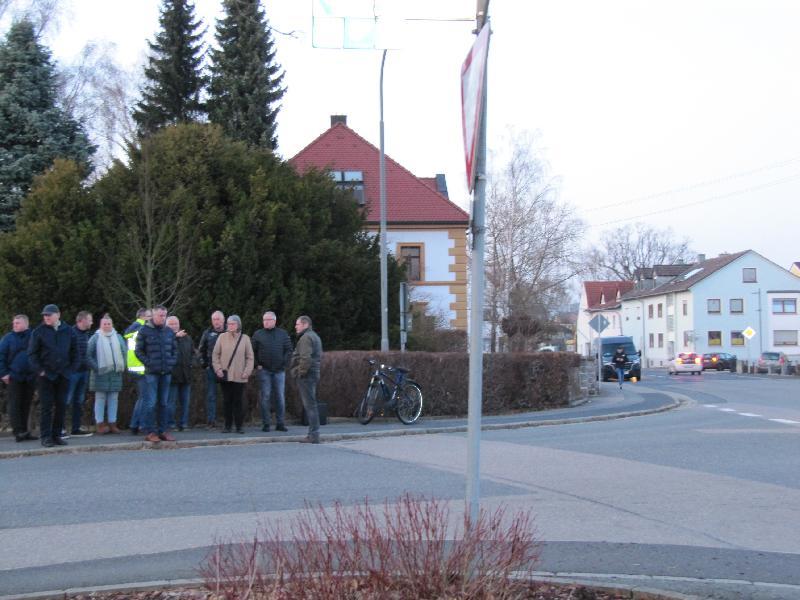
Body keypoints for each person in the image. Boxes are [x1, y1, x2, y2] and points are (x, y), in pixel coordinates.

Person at [27, 304, 78, 447]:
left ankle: (56, 435)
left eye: (49, 315)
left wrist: (71, 369)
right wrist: (40, 370)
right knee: (46, 406)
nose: (46, 317)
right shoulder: (39, 331)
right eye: (44, 315)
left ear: (58, 315)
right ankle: (45, 436)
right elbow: (32, 354)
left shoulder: (68, 331)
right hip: (46, 375)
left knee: (61, 405)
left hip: (63, 374)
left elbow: (75, 352)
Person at [135, 305, 177, 443]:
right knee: (151, 403)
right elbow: (138, 351)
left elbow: (174, 350)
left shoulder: (169, 332)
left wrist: (171, 362)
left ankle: (163, 430)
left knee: (164, 403)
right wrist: (149, 363)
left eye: (164, 315)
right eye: (160, 315)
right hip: (152, 373)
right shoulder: (144, 331)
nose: (162, 318)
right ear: (153, 315)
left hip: (166, 372)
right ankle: (150, 431)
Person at [251, 311, 292, 432]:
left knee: (280, 397)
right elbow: (252, 351)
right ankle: (266, 424)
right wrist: (257, 364)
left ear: (274, 321)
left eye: (268, 320)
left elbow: (289, 350)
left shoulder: (283, 334)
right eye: (264, 320)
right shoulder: (258, 334)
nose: (266, 322)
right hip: (264, 370)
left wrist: (284, 364)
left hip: (279, 371)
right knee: (265, 397)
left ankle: (280, 423)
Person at [212, 315, 253, 434]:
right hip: (225, 376)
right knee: (226, 401)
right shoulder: (222, 337)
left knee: (238, 401)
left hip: (240, 376)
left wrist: (247, 371)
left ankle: (239, 426)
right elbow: (215, 354)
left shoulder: (245, 338)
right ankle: (227, 425)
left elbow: (250, 357)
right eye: (229, 324)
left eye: (233, 324)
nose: (230, 326)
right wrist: (218, 369)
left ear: (238, 325)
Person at [86, 314, 126, 434]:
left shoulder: (118, 337)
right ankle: (100, 424)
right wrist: (97, 368)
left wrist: (122, 365)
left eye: (109, 324)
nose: (107, 326)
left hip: (115, 373)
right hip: (100, 374)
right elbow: (88, 355)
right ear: (100, 325)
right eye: (105, 324)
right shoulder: (95, 338)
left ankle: (112, 423)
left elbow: (124, 352)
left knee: (114, 399)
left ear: (112, 325)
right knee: (100, 398)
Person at [0, 315, 37, 442]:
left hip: (30, 376)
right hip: (14, 376)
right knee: (15, 404)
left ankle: (25, 431)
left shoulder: (33, 336)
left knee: (26, 404)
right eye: (14, 323)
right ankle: (18, 432)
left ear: (26, 324)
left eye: (17, 323)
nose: (14, 325)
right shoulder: (8, 338)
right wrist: (4, 373)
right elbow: (1, 356)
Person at [290, 315, 323, 444]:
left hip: (307, 376)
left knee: (310, 406)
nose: (295, 326)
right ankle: (313, 433)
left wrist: (300, 372)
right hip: (313, 374)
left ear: (305, 324)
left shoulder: (305, 338)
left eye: (297, 324)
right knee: (312, 404)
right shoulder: (314, 336)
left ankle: (313, 435)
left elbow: (306, 358)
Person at [64, 310, 94, 438]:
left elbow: (85, 354)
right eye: (90, 319)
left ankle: (76, 428)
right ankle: (61, 428)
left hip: (83, 371)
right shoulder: (71, 333)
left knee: (79, 401)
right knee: (66, 400)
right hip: (72, 373)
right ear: (82, 320)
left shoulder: (86, 334)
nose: (92, 322)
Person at [124, 308, 151, 434]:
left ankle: (135, 424)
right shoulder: (142, 328)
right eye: (149, 316)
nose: (151, 318)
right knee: (145, 398)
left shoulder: (132, 328)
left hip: (134, 366)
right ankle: (141, 425)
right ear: (142, 317)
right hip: (142, 367)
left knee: (141, 398)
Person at [198, 310, 225, 429]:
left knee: (228, 395)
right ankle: (211, 421)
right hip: (211, 369)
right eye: (214, 319)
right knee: (211, 396)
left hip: (227, 370)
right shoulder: (207, 333)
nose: (216, 321)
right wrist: (204, 364)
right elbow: (201, 350)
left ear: (223, 320)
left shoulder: (229, 332)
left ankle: (228, 420)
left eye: (218, 319)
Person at [166, 315, 193, 431]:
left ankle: (184, 423)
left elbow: (193, 352)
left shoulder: (187, 338)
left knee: (185, 402)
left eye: (175, 323)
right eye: (171, 324)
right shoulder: (166, 338)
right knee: (171, 402)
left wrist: (193, 362)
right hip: (172, 375)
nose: (174, 326)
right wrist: (175, 337)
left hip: (186, 374)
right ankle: (170, 423)